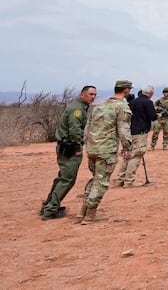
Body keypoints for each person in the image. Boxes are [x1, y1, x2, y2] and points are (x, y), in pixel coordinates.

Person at [79, 80, 133, 224]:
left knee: (96, 179)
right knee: (101, 182)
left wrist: (86, 145)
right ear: (126, 91)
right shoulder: (121, 107)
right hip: (106, 150)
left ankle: (82, 212)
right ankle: (90, 214)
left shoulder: (99, 106)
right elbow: (123, 129)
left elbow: (87, 127)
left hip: (92, 149)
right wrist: (127, 148)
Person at [40, 85, 96, 220]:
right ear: (82, 94)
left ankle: (48, 205)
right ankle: (50, 209)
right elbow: (75, 130)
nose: (93, 97)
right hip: (70, 149)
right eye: (90, 94)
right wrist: (78, 148)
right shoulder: (77, 109)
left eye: (94, 94)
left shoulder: (80, 107)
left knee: (62, 177)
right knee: (67, 179)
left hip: (66, 147)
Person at [119, 85, 157, 187]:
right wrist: (158, 115)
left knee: (128, 154)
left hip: (130, 132)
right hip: (140, 132)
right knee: (137, 155)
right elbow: (153, 117)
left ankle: (120, 179)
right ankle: (129, 181)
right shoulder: (148, 102)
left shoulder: (132, 102)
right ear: (150, 93)